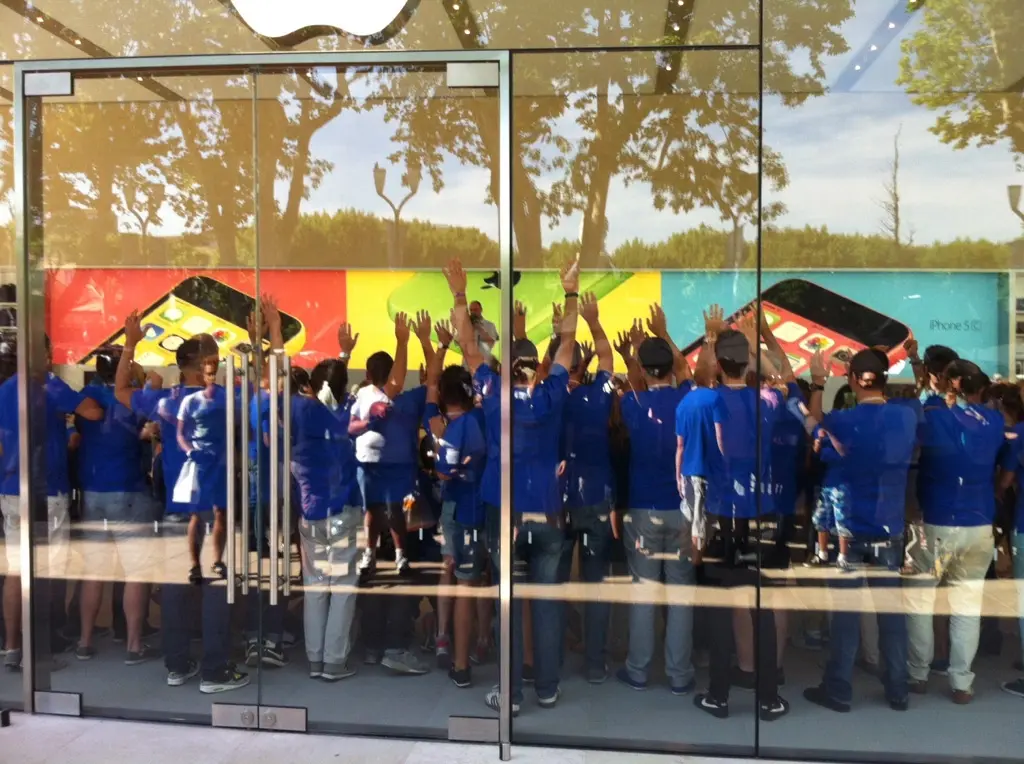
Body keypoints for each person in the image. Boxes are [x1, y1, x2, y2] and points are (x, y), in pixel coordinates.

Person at [114, 312, 247, 694]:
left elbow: (121, 390)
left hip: (177, 504)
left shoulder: (164, 401)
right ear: (207, 364)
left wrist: (130, 342)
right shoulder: (222, 401)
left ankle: (177, 665)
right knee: (213, 589)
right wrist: (262, 339)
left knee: (177, 588)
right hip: (213, 509)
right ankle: (215, 671)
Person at [799, 348, 918, 713]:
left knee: (846, 616)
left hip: (849, 530)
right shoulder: (908, 417)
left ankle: (838, 689)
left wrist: (817, 384)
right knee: (891, 616)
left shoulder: (841, 422)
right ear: (885, 378)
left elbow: (813, 430)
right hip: (889, 528)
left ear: (851, 379)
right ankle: (898, 689)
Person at [0, 336, 104, 671]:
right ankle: (38, 649)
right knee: (44, 570)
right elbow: (92, 411)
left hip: (11, 489)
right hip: (47, 490)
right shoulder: (48, 385)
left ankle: (12, 647)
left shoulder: (4, 388)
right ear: (43, 354)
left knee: (16, 571)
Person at [906, 358, 1005, 704]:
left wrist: (929, 388)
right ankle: (961, 682)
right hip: (979, 522)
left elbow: (916, 426)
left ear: (948, 384)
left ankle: (918, 673)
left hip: (936, 518)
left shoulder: (934, 416)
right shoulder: (994, 420)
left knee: (920, 600)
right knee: (967, 606)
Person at [615, 303, 696, 697]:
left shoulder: (633, 404)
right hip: (681, 511)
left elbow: (635, 383)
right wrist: (663, 333)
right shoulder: (686, 401)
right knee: (680, 593)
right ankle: (680, 675)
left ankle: (639, 670)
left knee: (644, 590)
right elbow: (684, 370)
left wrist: (633, 353)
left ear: (645, 371)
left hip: (644, 509)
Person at [74, 347, 159, 665]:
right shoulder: (132, 397)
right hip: (129, 489)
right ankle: (133, 645)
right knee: (136, 573)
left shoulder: (86, 395)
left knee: (94, 573)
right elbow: (146, 426)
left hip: (93, 491)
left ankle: (84, 640)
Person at [293, 332, 362, 682]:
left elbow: (328, 389)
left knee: (316, 587)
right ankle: (334, 661)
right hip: (343, 511)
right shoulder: (343, 416)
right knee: (343, 586)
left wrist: (342, 355)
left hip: (310, 513)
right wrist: (344, 356)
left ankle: (316, 659)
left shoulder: (302, 415)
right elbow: (336, 394)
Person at [425, 344, 488, 689]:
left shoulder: (441, 422)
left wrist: (438, 438)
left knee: (457, 575)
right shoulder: (482, 416)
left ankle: (450, 646)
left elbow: (445, 471)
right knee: (480, 577)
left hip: (459, 509)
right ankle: (481, 640)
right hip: (485, 507)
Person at [560, 292, 616, 684]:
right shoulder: (598, 397)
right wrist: (593, 322)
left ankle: (555, 655)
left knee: (556, 582)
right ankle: (594, 662)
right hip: (597, 499)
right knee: (596, 584)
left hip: (560, 500)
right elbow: (610, 362)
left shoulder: (551, 400)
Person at [350, 312, 416, 578]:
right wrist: (367, 423)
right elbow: (351, 426)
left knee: (394, 511)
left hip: (393, 465)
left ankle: (401, 557)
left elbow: (397, 383)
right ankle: (370, 555)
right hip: (367, 463)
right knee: (372, 512)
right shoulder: (362, 395)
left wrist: (402, 343)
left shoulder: (392, 394)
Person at [176, 356, 228, 585]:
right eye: (209, 373)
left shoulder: (227, 398)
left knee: (221, 512)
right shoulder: (190, 401)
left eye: (215, 373)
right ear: (201, 375)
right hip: (200, 461)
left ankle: (218, 560)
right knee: (197, 514)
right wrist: (190, 451)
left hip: (221, 461)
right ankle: (195, 564)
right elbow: (180, 432)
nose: (212, 378)